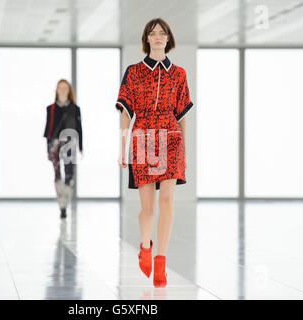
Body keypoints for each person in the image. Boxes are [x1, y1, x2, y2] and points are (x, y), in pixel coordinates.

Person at [115, 18, 194, 287]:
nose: (158, 37)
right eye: (153, 33)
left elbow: (182, 115)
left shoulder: (180, 74)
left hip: (171, 138)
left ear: (168, 38)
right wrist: (122, 147)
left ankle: (161, 260)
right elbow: (125, 113)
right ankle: (145, 245)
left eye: (163, 33)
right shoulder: (134, 72)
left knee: (167, 202)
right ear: (146, 39)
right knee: (148, 208)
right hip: (143, 137)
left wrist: (183, 146)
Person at [44, 79, 83, 219]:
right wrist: (47, 149)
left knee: (69, 174)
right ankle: (61, 204)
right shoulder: (51, 109)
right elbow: (48, 130)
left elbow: (79, 128)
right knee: (57, 174)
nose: (62, 90)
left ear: (69, 90)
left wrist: (81, 146)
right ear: (56, 90)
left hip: (70, 143)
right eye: (60, 87)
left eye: (65, 88)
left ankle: (65, 201)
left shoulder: (75, 108)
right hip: (54, 144)